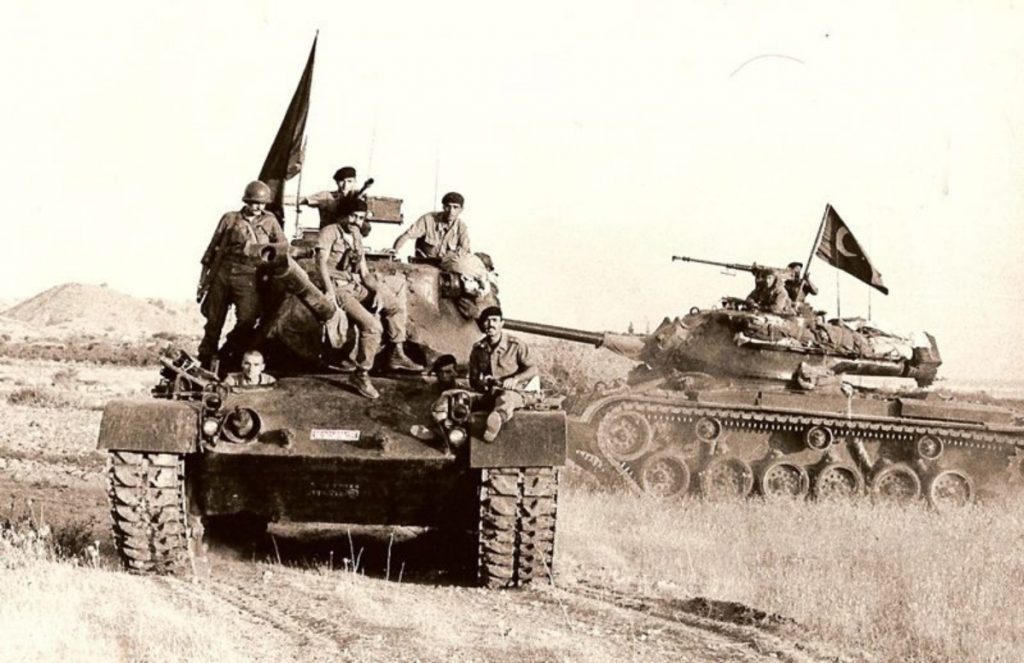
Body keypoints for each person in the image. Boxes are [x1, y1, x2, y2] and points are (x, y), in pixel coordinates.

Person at [317, 198, 422, 399]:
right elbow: (321, 263)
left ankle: (396, 351)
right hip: (339, 288)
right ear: (343, 215)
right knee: (373, 327)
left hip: (356, 285)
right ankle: (361, 373)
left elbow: (364, 273)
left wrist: (378, 291)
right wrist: (329, 291)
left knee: (394, 305)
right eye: (353, 216)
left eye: (360, 218)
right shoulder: (329, 232)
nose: (356, 222)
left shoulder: (356, 236)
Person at [197, 180, 285, 369]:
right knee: (214, 321)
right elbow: (212, 249)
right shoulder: (230, 219)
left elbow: (282, 247)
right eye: (254, 203)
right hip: (224, 272)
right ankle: (206, 359)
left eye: (261, 203)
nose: (258, 207)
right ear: (246, 201)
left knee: (247, 320)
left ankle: (229, 352)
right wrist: (203, 280)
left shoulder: (270, 221)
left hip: (250, 275)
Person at [469, 306, 539, 442]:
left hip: (514, 392)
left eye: (494, 320)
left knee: (506, 400)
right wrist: (482, 382)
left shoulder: (515, 345)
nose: (490, 324)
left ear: (502, 323)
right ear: (482, 324)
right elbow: (474, 380)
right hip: (489, 393)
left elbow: (533, 369)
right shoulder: (478, 349)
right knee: (457, 397)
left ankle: (495, 421)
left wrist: (515, 379)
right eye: (487, 321)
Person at [392, 191, 471, 260]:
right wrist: (394, 251)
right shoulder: (429, 219)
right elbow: (407, 235)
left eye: (455, 207)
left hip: (446, 266)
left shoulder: (461, 228)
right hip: (425, 264)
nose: (451, 211)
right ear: (443, 207)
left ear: (461, 209)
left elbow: (465, 252)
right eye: (448, 206)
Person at [301, 166, 371, 236]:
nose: (345, 185)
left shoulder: (358, 199)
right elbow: (301, 200)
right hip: (329, 237)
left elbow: (365, 230)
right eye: (342, 181)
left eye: (349, 181)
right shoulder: (327, 196)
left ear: (355, 182)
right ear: (336, 182)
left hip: (348, 239)